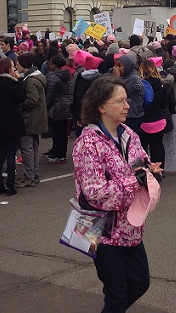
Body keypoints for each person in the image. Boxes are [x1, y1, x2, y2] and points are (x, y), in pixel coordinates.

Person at [72, 77, 162, 313]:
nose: (126, 106)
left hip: (131, 227)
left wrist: (151, 171)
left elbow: (142, 161)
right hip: (103, 233)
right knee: (117, 294)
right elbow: (95, 193)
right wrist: (136, 179)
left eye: (126, 100)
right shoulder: (88, 143)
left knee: (140, 283)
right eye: (119, 101)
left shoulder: (129, 133)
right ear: (101, 106)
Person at [0, 57, 25, 196]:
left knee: (0, 153)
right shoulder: (12, 83)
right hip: (12, 121)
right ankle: (10, 185)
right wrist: (19, 80)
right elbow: (21, 97)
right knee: (11, 154)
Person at [16, 53, 48, 188]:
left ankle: (29, 176)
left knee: (27, 148)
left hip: (30, 118)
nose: (16, 66)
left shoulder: (30, 81)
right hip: (38, 117)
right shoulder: (37, 76)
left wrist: (20, 105)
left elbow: (32, 100)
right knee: (33, 146)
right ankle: (34, 174)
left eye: (17, 63)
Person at [138, 58, 169, 170]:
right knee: (158, 146)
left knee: (143, 147)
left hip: (144, 119)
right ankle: (160, 169)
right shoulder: (162, 85)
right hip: (158, 119)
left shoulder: (140, 86)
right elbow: (165, 104)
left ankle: (146, 168)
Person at [45, 54, 72, 163]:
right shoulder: (66, 74)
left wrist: (46, 106)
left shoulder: (53, 77)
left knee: (57, 132)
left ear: (53, 65)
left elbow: (50, 95)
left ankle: (58, 154)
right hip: (65, 105)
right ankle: (61, 153)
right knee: (62, 131)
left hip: (56, 107)